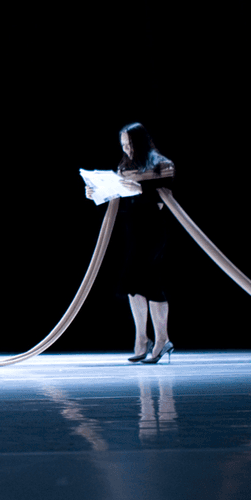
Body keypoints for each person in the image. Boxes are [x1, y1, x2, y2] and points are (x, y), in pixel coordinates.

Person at [88, 122, 177, 364]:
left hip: (154, 230)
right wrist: (96, 194)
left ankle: (162, 340)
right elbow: (118, 197)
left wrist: (139, 189)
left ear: (140, 142)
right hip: (133, 231)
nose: (126, 149)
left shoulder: (162, 164)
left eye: (129, 144)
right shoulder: (125, 166)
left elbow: (163, 201)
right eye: (123, 145)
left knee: (150, 282)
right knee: (132, 284)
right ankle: (142, 339)